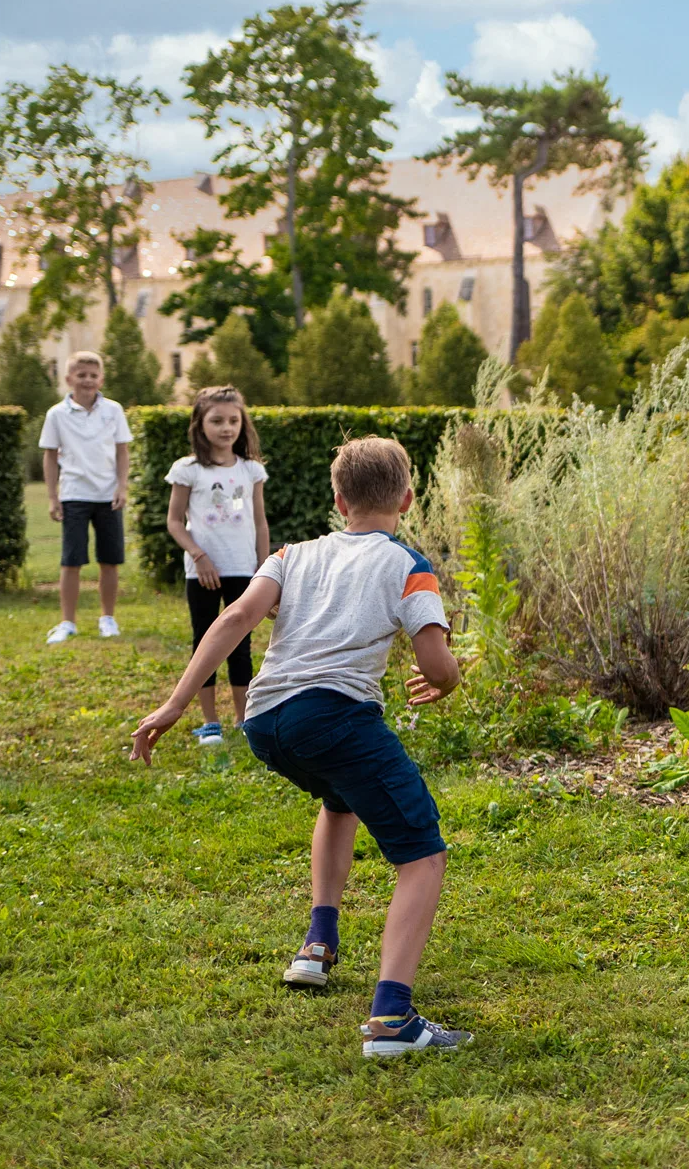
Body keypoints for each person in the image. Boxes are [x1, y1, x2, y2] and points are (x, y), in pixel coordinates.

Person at [129, 437, 470, 1057]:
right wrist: (448, 678)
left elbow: (232, 620)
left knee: (339, 800)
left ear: (338, 501)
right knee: (421, 857)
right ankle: (393, 1021)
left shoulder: (293, 553)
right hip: (335, 716)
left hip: (265, 720)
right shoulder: (408, 564)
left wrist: (176, 704)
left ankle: (318, 945)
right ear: (407, 498)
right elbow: (434, 662)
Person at [164, 387, 269, 746]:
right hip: (203, 571)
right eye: (217, 420)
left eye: (233, 421)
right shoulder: (186, 470)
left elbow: (260, 522)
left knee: (241, 644)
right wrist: (199, 555)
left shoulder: (252, 470)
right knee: (204, 642)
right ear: (200, 423)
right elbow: (175, 522)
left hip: (243, 569)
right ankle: (210, 722)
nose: (226, 428)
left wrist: (264, 569)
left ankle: (244, 719)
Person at [39, 351, 132, 644]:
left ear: (101, 379)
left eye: (93, 375)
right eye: (81, 375)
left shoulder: (114, 410)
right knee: (71, 561)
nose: (87, 380)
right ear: (69, 379)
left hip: (108, 496)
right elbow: (51, 456)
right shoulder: (56, 414)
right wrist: (53, 497)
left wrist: (122, 487)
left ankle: (108, 618)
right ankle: (68, 622)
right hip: (74, 495)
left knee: (109, 560)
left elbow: (122, 451)